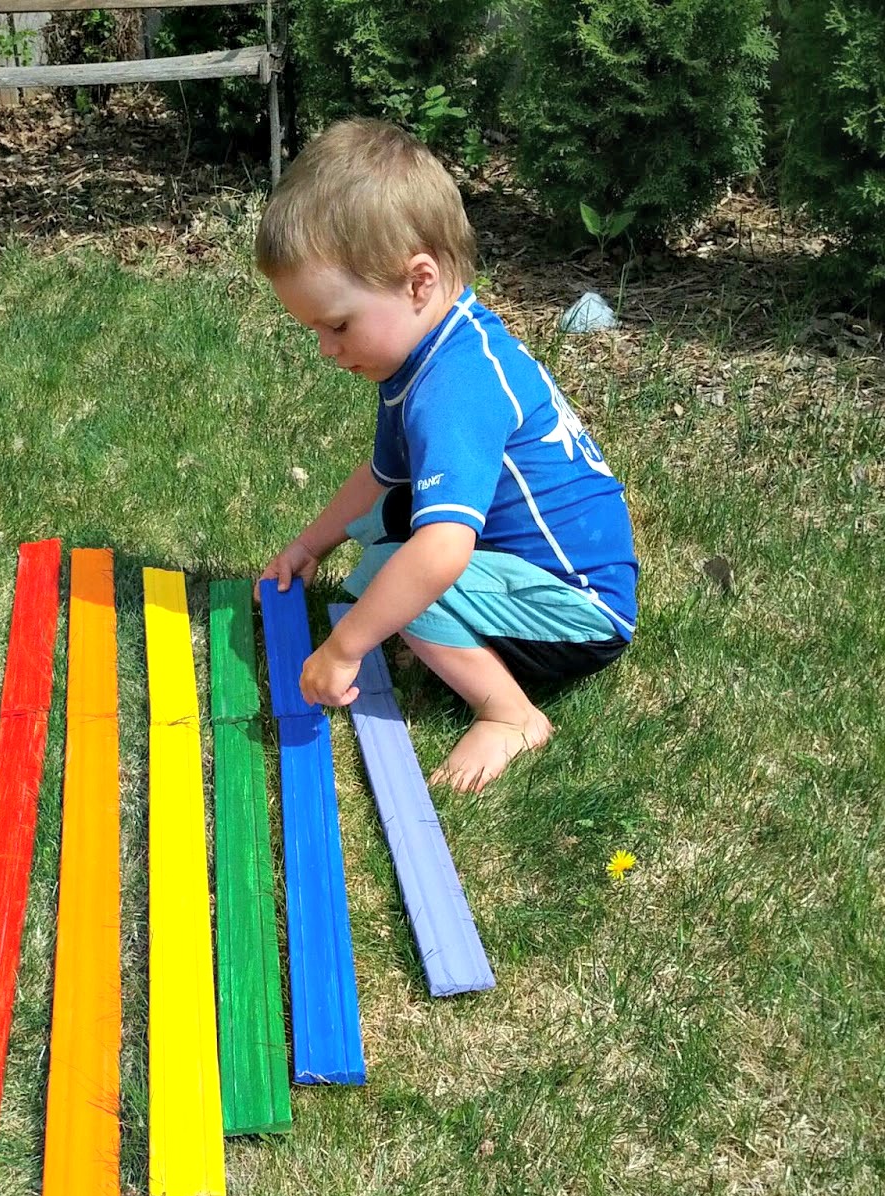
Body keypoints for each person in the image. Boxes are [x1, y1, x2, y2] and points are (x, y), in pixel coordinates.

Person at [254, 118, 638, 792]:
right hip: (526, 559)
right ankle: (460, 634)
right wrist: (310, 545)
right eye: (314, 329)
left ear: (418, 281)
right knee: (387, 535)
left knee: (397, 578)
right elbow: (383, 479)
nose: (325, 348)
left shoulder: (454, 389)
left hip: (581, 610)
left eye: (337, 325)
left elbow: (440, 554)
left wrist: (346, 649)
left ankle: (510, 713)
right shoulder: (424, 349)